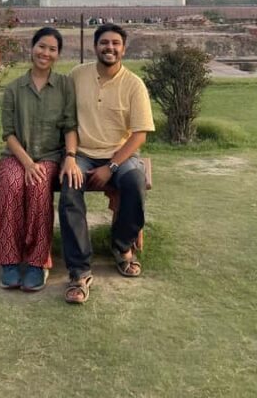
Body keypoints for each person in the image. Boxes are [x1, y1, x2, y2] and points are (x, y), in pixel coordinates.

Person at [59, 23, 155, 304]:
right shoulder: (78, 75)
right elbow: (69, 121)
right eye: (104, 43)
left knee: (135, 181)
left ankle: (122, 247)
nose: (109, 48)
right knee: (69, 188)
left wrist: (111, 166)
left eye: (115, 43)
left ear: (124, 49)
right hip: (83, 152)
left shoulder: (134, 84)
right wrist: (71, 157)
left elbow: (139, 135)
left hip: (120, 154)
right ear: (95, 46)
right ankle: (79, 268)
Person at [0, 27, 81, 291]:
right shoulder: (14, 89)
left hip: (50, 156)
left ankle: (37, 262)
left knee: (39, 188)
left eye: (52, 49)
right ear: (32, 48)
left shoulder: (64, 85)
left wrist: (71, 157)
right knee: (10, 185)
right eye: (42, 46)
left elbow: (70, 126)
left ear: (58, 54)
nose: (46, 53)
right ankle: (9, 259)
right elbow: (8, 133)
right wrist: (27, 163)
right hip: (17, 156)